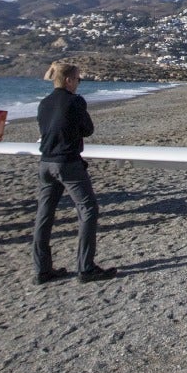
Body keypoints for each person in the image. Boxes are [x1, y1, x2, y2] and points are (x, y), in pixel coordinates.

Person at [33, 61, 116, 284]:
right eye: (78, 79)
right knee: (88, 209)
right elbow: (88, 130)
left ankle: (42, 270)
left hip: (45, 163)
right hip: (67, 163)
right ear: (69, 80)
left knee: (44, 215)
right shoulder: (75, 101)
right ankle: (85, 268)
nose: (79, 83)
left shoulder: (44, 103)